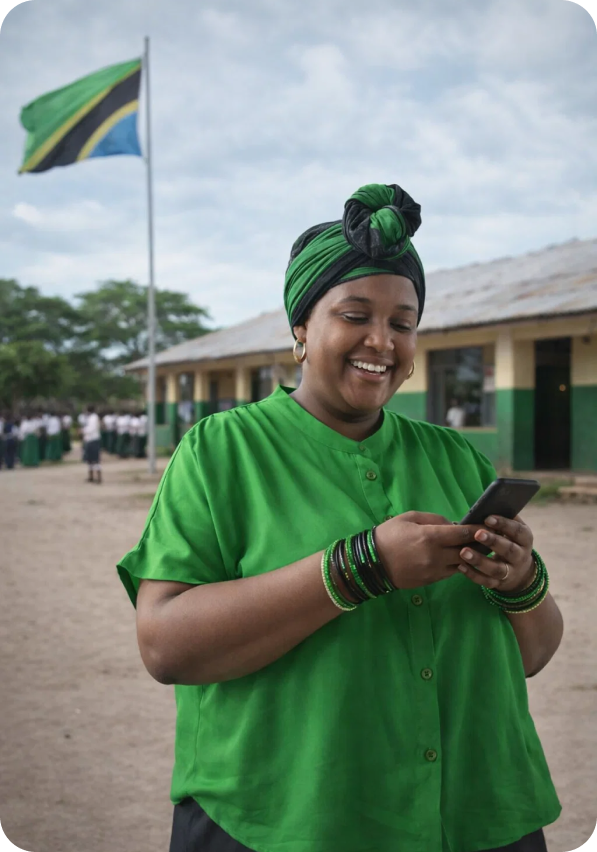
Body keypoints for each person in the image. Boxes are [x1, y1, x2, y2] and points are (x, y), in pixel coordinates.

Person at [118, 183, 563, 852]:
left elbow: (532, 654)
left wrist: (519, 580)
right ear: (301, 327)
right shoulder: (222, 452)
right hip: (289, 819)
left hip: (478, 816)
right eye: (355, 315)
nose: (382, 341)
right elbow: (165, 646)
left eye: (403, 323)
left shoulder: (454, 458)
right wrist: (361, 567)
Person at [82, 404, 102, 483]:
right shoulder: (90, 418)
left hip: (93, 440)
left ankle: (99, 477)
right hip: (89, 440)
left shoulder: (94, 418)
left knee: (95, 459)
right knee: (89, 459)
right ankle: (91, 477)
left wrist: (83, 431)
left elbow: (91, 429)